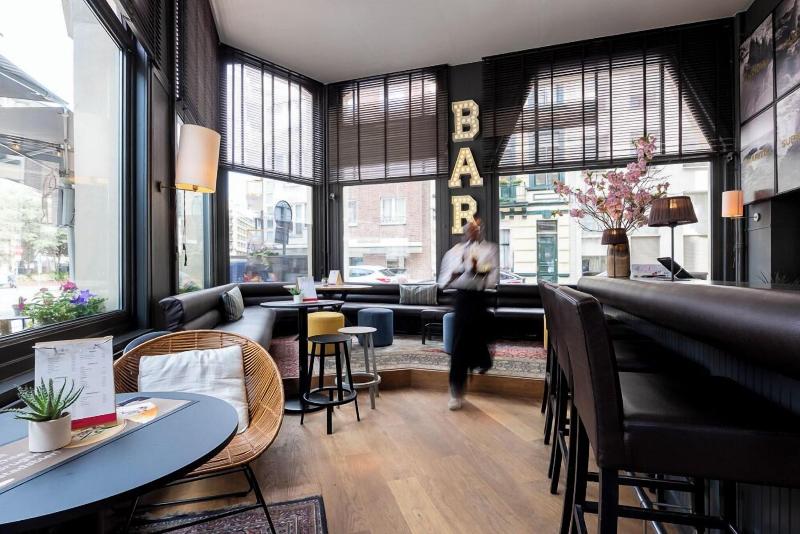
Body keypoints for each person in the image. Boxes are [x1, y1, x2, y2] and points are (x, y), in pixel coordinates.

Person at [438, 215, 499, 410]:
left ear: (480, 231)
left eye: (476, 228)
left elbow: (493, 280)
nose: (473, 231)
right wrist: (455, 275)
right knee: (459, 346)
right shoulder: (453, 252)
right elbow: (442, 282)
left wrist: (480, 272)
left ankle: (482, 361)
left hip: (480, 299)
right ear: (464, 232)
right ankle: (456, 392)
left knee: (479, 338)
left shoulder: (489, 250)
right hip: (462, 300)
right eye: (470, 229)